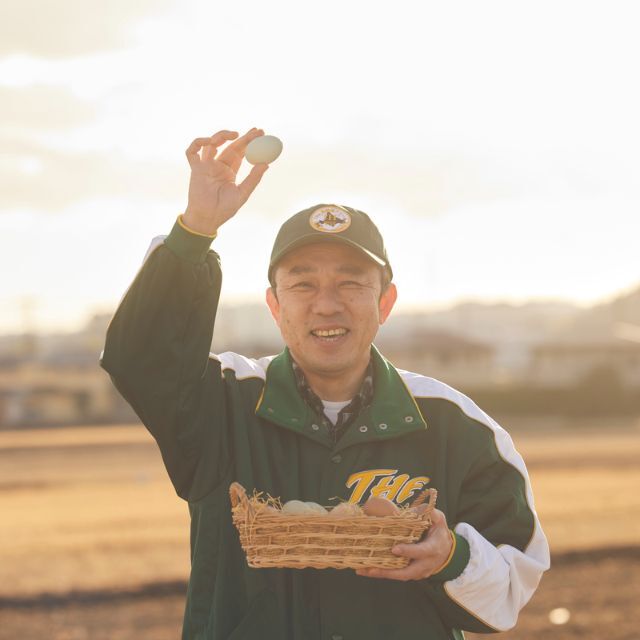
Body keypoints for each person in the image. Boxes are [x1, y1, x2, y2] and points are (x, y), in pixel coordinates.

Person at [101, 127, 550, 640]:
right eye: (303, 283)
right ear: (275, 305)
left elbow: (513, 584)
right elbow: (140, 359)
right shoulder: (221, 399)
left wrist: (450, 556)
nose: (327, 304)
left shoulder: (454, 424)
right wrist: (197, 228)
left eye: (351, 282)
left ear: (385, 302)